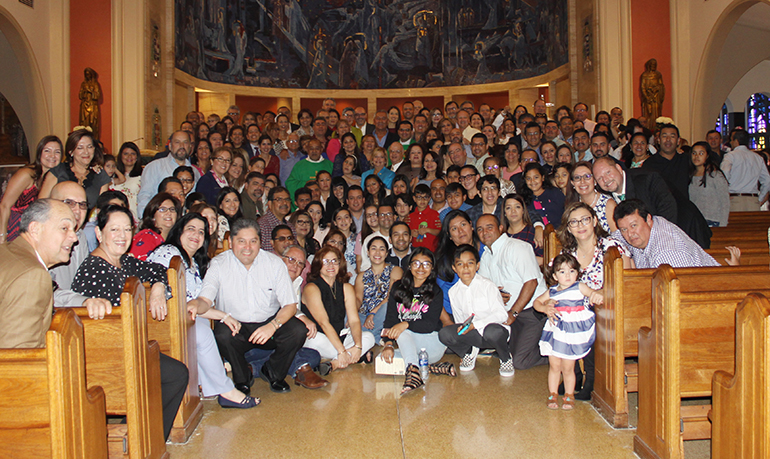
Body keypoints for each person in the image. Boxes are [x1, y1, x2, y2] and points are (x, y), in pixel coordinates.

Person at [71, 205, 188, 440]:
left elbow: (158, 270)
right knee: (175, 374)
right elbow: (99, 330)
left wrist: (157, 289)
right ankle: (148, 439)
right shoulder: (94, 268)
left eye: (127, 229)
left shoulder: (123, 262)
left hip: (127, 343)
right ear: (99, 234)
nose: (122, 236)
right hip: (103, 355)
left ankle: (146, 437)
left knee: (174, 373)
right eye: (114, 229)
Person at [148, 213, 259, 408]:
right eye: (191, 229)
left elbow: (194, 304)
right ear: (179, 231)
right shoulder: (167, 252)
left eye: (201, 232)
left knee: (202, 325)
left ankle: (209, 385)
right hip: (160, 318)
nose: (196, 235)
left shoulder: (192, 265)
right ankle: (226, 391)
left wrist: (224, 316)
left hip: (183, 316)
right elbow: (157, 284)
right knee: (201, 330)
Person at [187, 218, 307, 394]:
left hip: (268, 324)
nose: (248, 247)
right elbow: (205, 300)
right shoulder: (219, 264)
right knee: (222, 334)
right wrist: (195, 305)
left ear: (260, 242)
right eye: (241, 241)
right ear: (230, 242)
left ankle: (274, 372)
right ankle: (242, 378)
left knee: (298, 331)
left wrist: (272, 326)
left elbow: (290, 304)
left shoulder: (274, 264)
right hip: (235, 325)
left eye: (253, 241)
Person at [0, 199, 78, 348]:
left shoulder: (7, 251)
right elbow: (19, 355)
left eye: (73, 229)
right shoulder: (33, 275)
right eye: (64, 228)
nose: (74, 237)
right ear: (35, 229)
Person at [475, 214, 547, 370]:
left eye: (489, 227)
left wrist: (513, 313)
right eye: (480, 229)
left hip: (531, 312)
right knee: (507, 352)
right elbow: (484, 286)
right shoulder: (487, 255)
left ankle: (556, 353)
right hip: (508, 314)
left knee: (519, 362)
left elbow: (531, 282)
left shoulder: (518, 247)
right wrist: (495, 293)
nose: (484, 232)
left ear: (501, 228)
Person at [381, 247, 455, 394]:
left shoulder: (435, 291)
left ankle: (414, 375)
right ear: (409, 265)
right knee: (383, 359)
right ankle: (429, 368)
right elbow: (390, 319)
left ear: (432, 268)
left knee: (402, 332)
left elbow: (430, 325)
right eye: (416, 263)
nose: (421, 268)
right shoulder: (398, 287)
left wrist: (406, 324)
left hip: (431, 344)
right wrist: (388, 345)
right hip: (410, 343)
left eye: (426, 264)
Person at [535, 253, 602, 410]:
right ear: (555, 276)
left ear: (577, 273)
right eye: (562, 271)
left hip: (573, 331)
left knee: (568, 366)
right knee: (554, 365)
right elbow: (537, 302)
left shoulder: (579, 287)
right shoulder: (551, 292)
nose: (567, 275)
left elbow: (594, 293)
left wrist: (596, 296)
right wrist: (545, 308)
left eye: (572, 271)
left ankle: (569, 395)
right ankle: (553, 394)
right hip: (556, 330)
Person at [439, 244, 514, 376]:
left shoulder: (488, 286)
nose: (466, 268)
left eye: (470, 263)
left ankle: (505, 357)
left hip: (494, 332)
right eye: (460, 264)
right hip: (473, 334)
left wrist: (475, 325)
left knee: (492, 331)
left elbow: (502, 315)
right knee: (445, 333)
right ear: (454, 268)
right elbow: (459, 320)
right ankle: (469, 352)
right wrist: (465, 329)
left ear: (477, 266)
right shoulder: (453, 292)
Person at [301, 246, 376, 370]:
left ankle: (335, 363)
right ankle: (350, 357)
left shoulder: (346, 287)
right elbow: (323, 323)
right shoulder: (311, 288)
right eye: (326, 261)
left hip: (338, 336)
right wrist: (341, 351)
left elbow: (354, 320)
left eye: (334, 261)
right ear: (318, 264)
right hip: (319, 337)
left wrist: (358, 346)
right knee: (316, 341)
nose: (331, 265)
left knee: (369, 337)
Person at [613, 199, 722, 269]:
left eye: (633, 226)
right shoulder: (653, 225)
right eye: (624, 229)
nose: (630, 234)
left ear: (648, 219)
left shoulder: (666, 255)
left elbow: (679, 294)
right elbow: (612, 238)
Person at [0, 135, 62, 243]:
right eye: (47, 151)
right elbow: (4, 205)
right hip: (10, 226)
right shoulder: (27, 174)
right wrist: (2, 236)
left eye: (57, 152)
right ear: (39, 153)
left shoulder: (55, 179)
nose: (52, 156)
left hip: (31, 232)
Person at [39, 129, 111, 209]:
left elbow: (102, 209)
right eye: (80, 148)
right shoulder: (58, 171)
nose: (86, 152)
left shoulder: (100, 174)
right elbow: (41, 204)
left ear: (94, 149)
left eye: (89, 147)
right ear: (71, 152)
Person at [136, 131, 200, 215]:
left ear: (190, 147)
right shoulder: (154, 167)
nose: (182, 146)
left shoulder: (195, 172)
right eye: (177, 142)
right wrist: (148, 219)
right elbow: (144, 196)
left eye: (185, 142)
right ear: (170, 146)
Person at [355, 236, 403, 345]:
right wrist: (352, 315)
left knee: (388, 306)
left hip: (383, 315)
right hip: (364, 317)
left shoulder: (395, 270)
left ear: (386, 253)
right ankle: (376, 336)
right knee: (347, 312)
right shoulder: (361, 276)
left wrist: (372, 314)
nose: (377, 253)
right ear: (368, 252)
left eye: (382, 249)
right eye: (373, 248)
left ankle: (362, 335)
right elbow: (358, 299)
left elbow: (391, 296)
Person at [722, 128, 770, 211]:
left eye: (731, 140)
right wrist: (760, 198)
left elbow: (724, 173)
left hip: (735, 199)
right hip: (753, 200)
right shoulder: (757, 157)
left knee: (735, 224)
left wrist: (725, 191)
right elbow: (767, 180)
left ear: (736, 141)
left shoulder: (730, 156)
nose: (730, 142)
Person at [689, 141, 729, 227]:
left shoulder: (714, 175)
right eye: (694, 153)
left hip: (713, 221)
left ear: (707, 156)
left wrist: (723, 225)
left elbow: (725, 201)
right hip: (696, 221)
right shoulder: (690, 175)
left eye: (701, 153)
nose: (697, 156)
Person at [130, 192, 180, 261]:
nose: (169, 213)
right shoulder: (147, 237)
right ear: (152, 215)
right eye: (162, 209)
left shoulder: (175, 241)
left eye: (172, 209)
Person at [570, 161, 618, 232]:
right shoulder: (572, 206)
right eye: (577, 177)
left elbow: (618, 237)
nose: (582, 181)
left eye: (587, 176)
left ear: (595, 180)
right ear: (572, 183)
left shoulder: (608, 204)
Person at [501, 194, 543, 266]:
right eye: (508, 208)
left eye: (517, 207)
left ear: (523, 210)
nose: (513, 211)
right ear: (504, 213)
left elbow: (543, 260)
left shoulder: (533, 232)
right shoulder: (501, 235)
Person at [520, 163, 565, 229]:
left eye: (536, 177)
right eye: (528, 178)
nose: (532, 181)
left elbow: (565, 213)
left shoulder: (555, 192)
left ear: (543, 178)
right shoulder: (523, 199)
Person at [257, 186, 294, 252]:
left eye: (287, 199)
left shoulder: (291, 227)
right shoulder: (262, 225)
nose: (285, 203)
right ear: (269, 204)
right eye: (279, 200)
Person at [405, 184, 441, 250]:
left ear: (429, 198)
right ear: (414, 198)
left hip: (431, 249)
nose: (422, 200)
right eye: (419, 197)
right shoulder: (410, 217)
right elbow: (406, 233)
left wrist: (428, 230)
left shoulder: (434, 214)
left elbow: (439, 232)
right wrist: (411, 233)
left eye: (425, 197)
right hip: (415, 249)